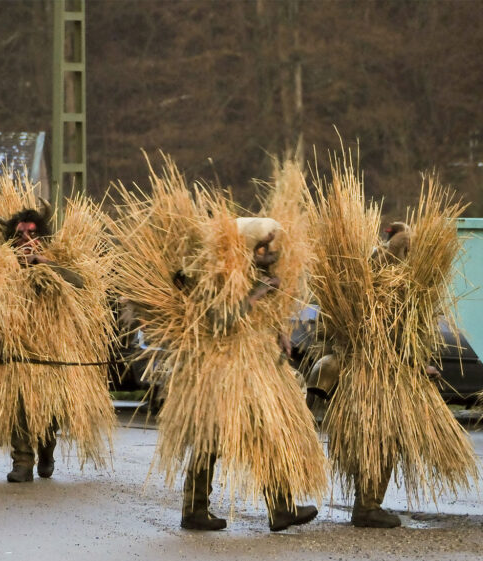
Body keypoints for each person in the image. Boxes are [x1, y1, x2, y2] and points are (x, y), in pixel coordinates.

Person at [112, 160, 328, 532]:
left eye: (268, 248)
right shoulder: (216, 279)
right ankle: (197, 509)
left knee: (268, 433)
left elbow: (256, 318)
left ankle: (280, 508)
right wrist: (258, 294)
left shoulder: (258, 276)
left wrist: (277, 332)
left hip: (254, 369)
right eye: (259, 249)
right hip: (221, 371)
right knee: (211, 438)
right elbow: (219, 321)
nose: (266, 254)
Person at [306, 166, 478, 528]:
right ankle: (367, 507)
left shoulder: (364, 282)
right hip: (377, 380)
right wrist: (418, 367)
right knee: (379, 437)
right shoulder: (394, 294)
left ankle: (364, 504)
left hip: (358, 376)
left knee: (367, 437)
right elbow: (394, 341)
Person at [0, 194, 114, 483]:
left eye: (32, 233)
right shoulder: (1, 271)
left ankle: (47, 450)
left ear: (42, 236)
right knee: (19, 411)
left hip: (52, 359)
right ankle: (22, 462)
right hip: (16, 358)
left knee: (49, 414)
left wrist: (44, 263)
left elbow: (82, 285)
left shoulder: (58, 262)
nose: (26, 239)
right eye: (20, 234)